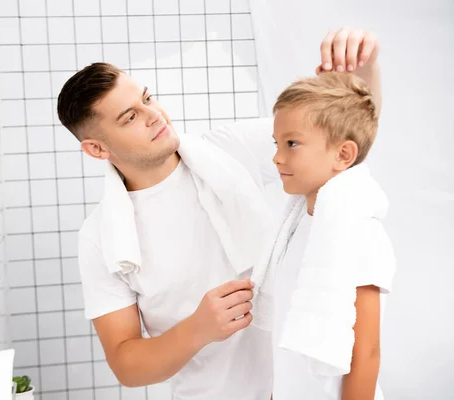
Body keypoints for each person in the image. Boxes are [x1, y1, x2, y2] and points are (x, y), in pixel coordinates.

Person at [56, 27, 382, 400]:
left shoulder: (228, 150)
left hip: (305, 386)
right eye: (130, 117)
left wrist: (364, 69)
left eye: (148, 98)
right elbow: (126, 364)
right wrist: (198, 328)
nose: (155, 115)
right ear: (97, 149)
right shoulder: (101, 237)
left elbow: (343, 143)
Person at [260, 72, 395, 400]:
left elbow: (366, 354)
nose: (277, 157)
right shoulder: (294, 227)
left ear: (343, 155)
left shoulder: (358, 233)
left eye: (292, 143)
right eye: (276, 144)